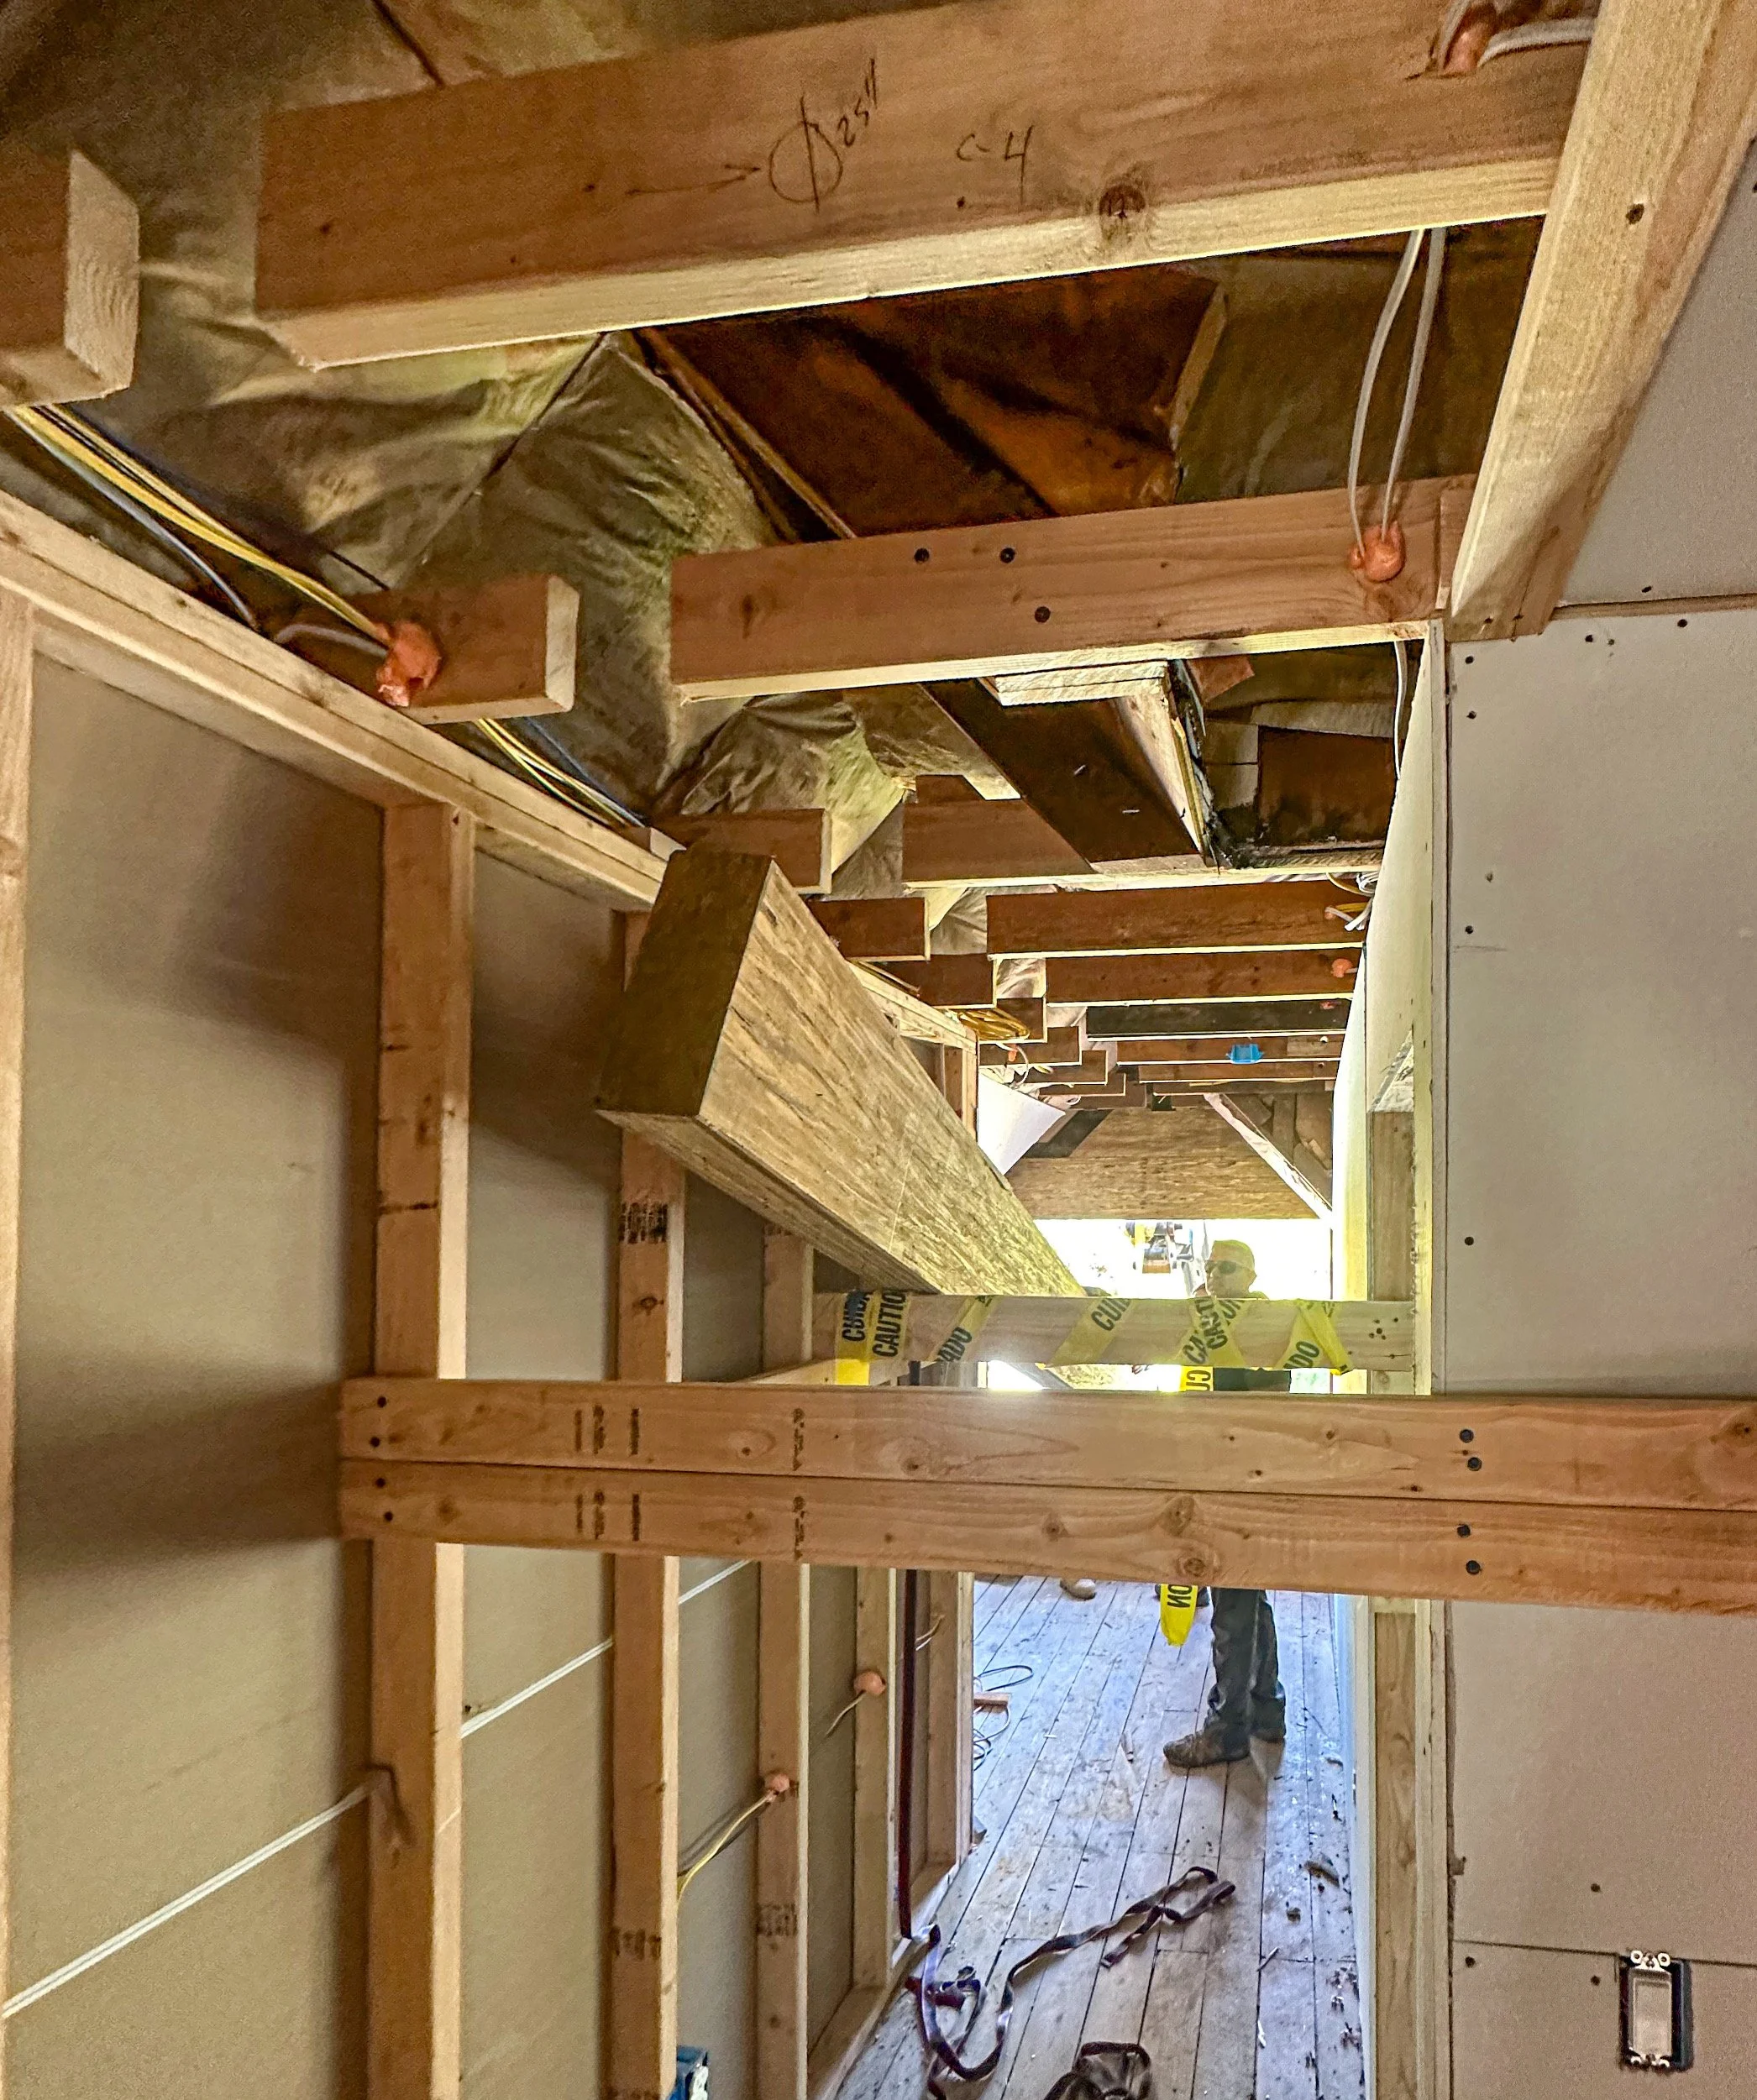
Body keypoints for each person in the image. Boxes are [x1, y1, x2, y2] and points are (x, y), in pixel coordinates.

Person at [1163, 1239, 1290, 1768]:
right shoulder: (1224, 1320)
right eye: (1211, 1267)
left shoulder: (1259, 1324)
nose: (1215, 1275)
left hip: (1237, 1476)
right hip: (1243, 1475)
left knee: (1233, 1606)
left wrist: (1207, 1323)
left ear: (1252, 1273)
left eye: (1227, 1268)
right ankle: (1266, 1712)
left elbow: (1233, 1398)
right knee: (1251, 1598)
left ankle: (1227, 1729)